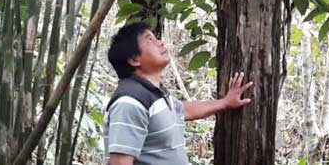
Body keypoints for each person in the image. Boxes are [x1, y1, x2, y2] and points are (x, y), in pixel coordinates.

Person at [104, 22, 253, 165]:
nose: (160, 43)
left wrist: (226, 102)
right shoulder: (130, 102)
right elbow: (120, 162)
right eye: (150, 40)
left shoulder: (153, 94)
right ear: (134, 59)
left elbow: (183, 110)